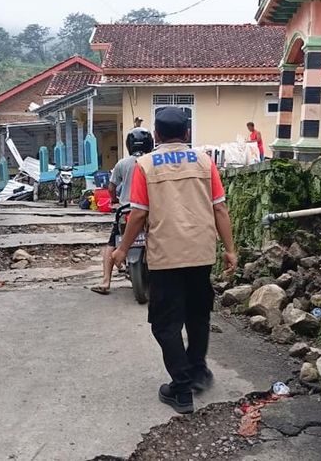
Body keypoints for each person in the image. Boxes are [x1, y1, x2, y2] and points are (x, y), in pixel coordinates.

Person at [113, 107, 238, 414]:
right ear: (187, 134)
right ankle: (197, 371)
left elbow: (139, 214)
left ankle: (181, 389)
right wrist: (231, 249)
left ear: (156, 135)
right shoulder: (205, 162)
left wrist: (121, 250)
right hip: (201, 253)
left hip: (166, 257)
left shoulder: (145, 165)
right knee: (198, 316)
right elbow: (220, 209)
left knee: (165, 324)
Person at [91, 128, 154, 295]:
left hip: (127, 209)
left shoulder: (122, 164)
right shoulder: (153, 161)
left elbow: (111, 187)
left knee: (112, 243)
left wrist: (114, 200)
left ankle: (105, 282)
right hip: (151, 210)